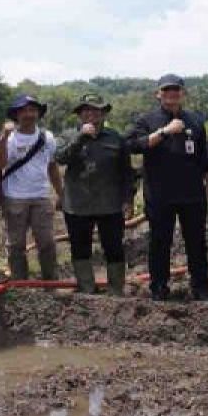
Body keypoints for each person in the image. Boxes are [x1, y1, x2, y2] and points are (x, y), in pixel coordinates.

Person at [126, 74, 208, 301]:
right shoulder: (147, 120)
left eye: (176, 90)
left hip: (192, 193)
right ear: (158, 94)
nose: (172, 94)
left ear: (183, 93)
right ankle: (159, 288)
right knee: (160, 242)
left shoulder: (195, 120)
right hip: (160, 194)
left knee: (197, 242)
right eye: (167, 90)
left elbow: (203, 155)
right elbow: (133, 145)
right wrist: (164, 132)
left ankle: (201, 288)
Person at [55, 93, 136, 295]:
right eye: (86, 110)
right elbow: (61, 158)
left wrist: (128, 199)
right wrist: (81, 137)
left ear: (103, 113)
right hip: (77, 205)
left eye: (96, 110)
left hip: (110, 204)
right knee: (80, 249)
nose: (91, 114)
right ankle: (87, 290)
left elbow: (127, 172)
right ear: (80, 114)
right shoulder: (67, 136)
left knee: (114, 248)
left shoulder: (115, 138)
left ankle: (116, 290)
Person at [0, 94, 64, 280]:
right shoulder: (9, 139)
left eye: (32, 110)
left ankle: (50, 281)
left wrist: (60, 193)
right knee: (16, 244)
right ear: (16, 115)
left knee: (47, 242)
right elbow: (0, 164)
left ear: (38, 113)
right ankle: (20, 283)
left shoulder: (47, 137)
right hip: (14, 197)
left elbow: (52, 167)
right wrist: (2, 139)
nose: (29, 114)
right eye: (24, 110)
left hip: (41, 196)